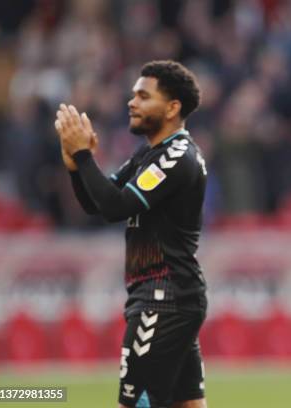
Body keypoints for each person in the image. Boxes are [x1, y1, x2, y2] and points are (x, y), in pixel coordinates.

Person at [55, 60, 208, 408]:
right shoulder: (150, 154)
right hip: (169, 297)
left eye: (143, 96)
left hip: (164, 298)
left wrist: (83, 154)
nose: (131, 102)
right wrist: (77, 167)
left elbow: (116, 206)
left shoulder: (176, 156)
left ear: (172, 108)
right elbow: (98, 203)